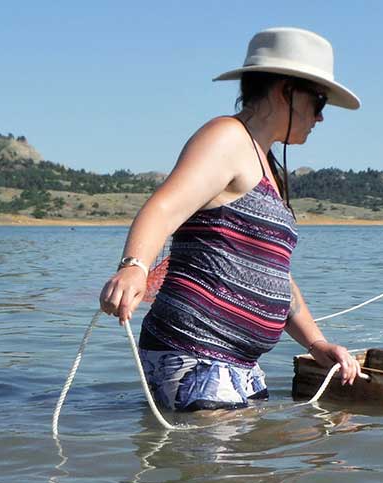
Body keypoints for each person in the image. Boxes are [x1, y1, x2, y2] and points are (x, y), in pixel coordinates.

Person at [99, 28, 363, 412]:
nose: (321, 116)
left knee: (246, 470)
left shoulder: (265, 163)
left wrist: (317, 344)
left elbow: (274, 274)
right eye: (318, 100)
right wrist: (135, 267)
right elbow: (164, 207)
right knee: (221, 472)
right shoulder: (227, 138)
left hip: (240, 365)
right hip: (195, 351)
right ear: (284, 91)